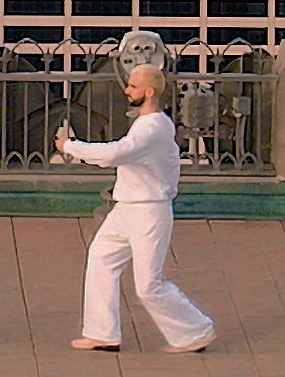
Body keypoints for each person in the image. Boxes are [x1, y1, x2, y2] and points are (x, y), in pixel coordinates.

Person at [55, 62, 214, 353]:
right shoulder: (146, 124)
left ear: (149, 91)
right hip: (126, 207)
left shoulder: (153, 127)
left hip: (149, 211)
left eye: (133, 86)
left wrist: (70, 147)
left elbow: (116, 153)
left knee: (148, 285)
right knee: (101, 258)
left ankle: (195, 330)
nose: (127, 90)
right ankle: (102, 332)